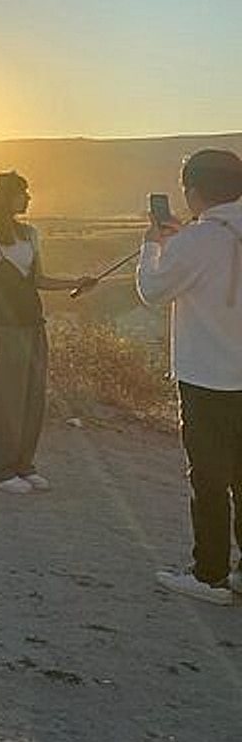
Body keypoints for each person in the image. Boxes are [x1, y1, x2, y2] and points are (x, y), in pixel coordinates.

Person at [138, 149, 242, 605]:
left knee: (209, 478)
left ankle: (209, 574)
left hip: (207, 378)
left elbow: (153, 291)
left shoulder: (197, 240)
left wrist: (154, 243)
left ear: (194, 190)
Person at [0, 171, 96, 494]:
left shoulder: (30, 234)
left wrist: (75, 283)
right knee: (3, 401)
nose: (28, 197)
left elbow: (38, 279)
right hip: (5, 328)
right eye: (22, 192)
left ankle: (22, 465)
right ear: (4, 197)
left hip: (32, 325)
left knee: (32, 399)